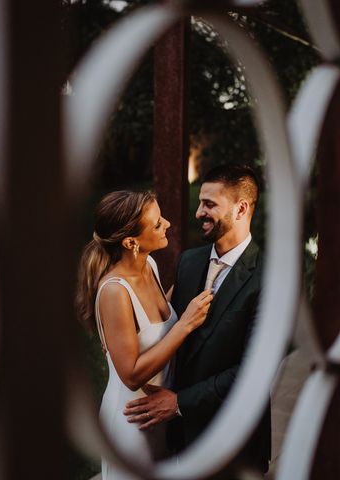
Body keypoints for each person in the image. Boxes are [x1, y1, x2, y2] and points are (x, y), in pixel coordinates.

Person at [124, 164, 271, 475]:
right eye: (200, 202)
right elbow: (168, 326)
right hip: (181, 438)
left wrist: (178, 402)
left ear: (241, 208)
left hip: (236, 441)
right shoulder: (189, 262)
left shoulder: (270, 278)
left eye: (209, 204)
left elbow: (253, 372)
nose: (198, 212)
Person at [75, 190, 214, 480]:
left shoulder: (148, 265)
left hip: (160, 413)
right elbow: (132, 374)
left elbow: (156, 321)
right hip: (132, 421)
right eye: (157, 223)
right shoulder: (115, 291)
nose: (168, 224)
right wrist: (185, 324)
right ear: (130, 242)